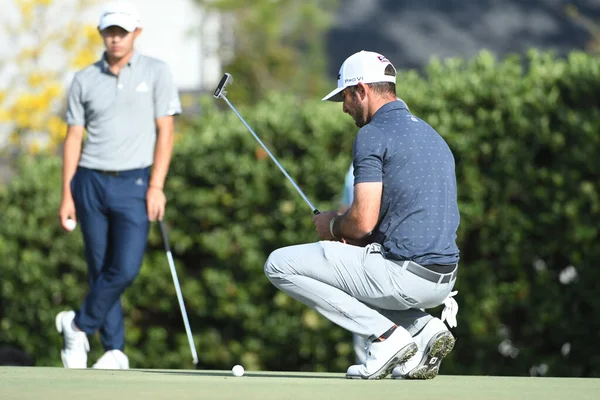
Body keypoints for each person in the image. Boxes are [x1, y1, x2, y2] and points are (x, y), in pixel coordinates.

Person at [264, 50, 459, 380]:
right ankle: (422, 328)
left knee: (279, 265)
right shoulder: (431, 134)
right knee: (345, 267)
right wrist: (351, 234)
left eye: (345, 97)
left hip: (404, 276)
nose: (343, 107)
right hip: (443, 280)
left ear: (362, 90)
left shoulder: (372, 134)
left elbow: (363, 221)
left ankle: (386, 337)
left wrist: (332, 225)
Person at [56, 0, 181, 369]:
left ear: (136, 34)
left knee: (125, 268)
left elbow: (166, 132)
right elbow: (73, 138)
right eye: (110, 32)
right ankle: (113, 349)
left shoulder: (157, 72)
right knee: (99, 266)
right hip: (90, 181)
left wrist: (156, 185)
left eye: (122, 32)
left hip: (135, 182)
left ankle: (76, 324)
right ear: (101, 34)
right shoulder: (84, 79)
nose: (115, 39)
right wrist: (67, 193)